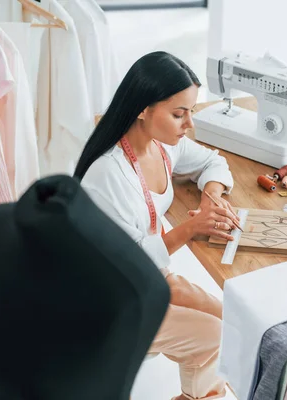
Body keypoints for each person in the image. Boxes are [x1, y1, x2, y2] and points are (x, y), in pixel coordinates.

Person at [74, 51, 238, 400]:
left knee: (234, 322)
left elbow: (213, 161)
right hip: (110, 296)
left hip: (149, 277)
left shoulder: (162, 147)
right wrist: (189, 229)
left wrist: (211, 194)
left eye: (191, 112)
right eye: (180, 114)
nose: (189, 124)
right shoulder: (107, 173)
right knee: (214, 335)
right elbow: (125, 259)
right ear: (142, 110)